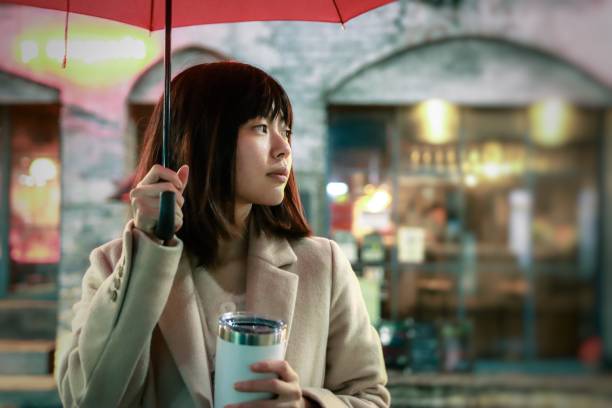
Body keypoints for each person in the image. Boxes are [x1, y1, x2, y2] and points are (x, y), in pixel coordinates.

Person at [57, 61, 390, 408]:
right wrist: (148, 252)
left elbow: (371, 397)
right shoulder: (115, 265)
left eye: (286, 131)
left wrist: (304, 405)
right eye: (261, 128)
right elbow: (87, 398)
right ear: (202, 137)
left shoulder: (321, 265)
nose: (283, 149)